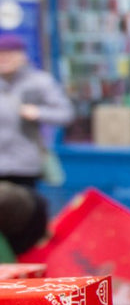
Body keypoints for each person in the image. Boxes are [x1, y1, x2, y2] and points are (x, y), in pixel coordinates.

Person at [0, 32, 72, 255]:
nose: (5, 59)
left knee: (21, 219)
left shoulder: (39, 82)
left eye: (10, 54)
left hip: (23, 165)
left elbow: (65, 113)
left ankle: (22, 265)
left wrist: (37, 112)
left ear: (22, 56)